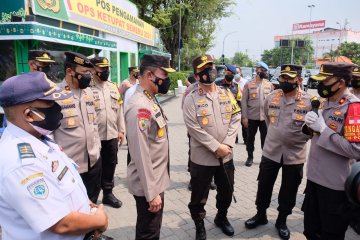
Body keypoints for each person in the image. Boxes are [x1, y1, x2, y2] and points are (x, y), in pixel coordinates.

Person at [0, 72, 109, 239]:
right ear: (29, 114)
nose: (58, 108)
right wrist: (99, 221)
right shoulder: (22, 164)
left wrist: (88, 207)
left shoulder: (39, 138)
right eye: (50, 104)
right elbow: (61, 223)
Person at [244, 64, 313, 240]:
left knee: (289, 189)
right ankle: (261, 215)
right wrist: (278, 135)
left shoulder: (308, 101)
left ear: (298, 80)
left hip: (294, 154)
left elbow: (312, 129)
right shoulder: (272, 96)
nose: (285, 81)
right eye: (283, 77)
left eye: (289, 78)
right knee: (264, 185)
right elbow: (267, 119)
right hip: (271, 151)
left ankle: (281, 220)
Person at [183, 54, 241, 239]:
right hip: (202, 158)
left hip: (226, 155)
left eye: (212, 66)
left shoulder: (226, 93)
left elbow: (236, 116)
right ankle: (199, 226)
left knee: (226, 191)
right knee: (199, 197)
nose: (211, 70)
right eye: (205, 69)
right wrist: (216, 147)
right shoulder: (191, 98)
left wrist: (227, 144)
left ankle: (221, 217)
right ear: (197, 74)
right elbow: (193, 127)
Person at [302, 63, 360, 240]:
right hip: (313, 179)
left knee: (330, 234)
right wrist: (309, 126)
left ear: (341, 82)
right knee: (311, 231)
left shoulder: (354, 108)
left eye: (326, 80)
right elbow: (316, 135)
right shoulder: (323, 102)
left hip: (334, 187)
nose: (321, 85)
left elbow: (355, 150)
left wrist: (324, 129)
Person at [125, 54, 174, 240]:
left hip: (154, 179)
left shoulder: (149, 98)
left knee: (152, 229)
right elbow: (140, 153)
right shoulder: (140, 106)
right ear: (149, 75)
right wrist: (152, 193)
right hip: (149, 184)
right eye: (164, 74)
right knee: (149, 233)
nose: (167, 79)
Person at [52, 51, 102, 204]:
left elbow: (94, 124)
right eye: (85, 72)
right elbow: (49, 135)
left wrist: (98, 147)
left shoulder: (89, 93)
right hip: (71, 167)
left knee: (92, 203)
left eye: (90, 72)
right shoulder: (55, 96)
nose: (89, 76)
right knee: (74, 207)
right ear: (69, 71)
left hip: (94, 161)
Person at [90, 57, 125, 208]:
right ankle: (92, 198)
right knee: (95, 167)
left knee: (111, 164)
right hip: (94, 136)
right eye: (102, 68)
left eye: (107, 68)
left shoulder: (113, 87)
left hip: (111, 134)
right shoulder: (87, 88)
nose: (106, 71)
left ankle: (108, 194)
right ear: (93, 70)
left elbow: (119, 110)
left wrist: (121, 130)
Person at [241, 61, 273, 167]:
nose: (264, 72)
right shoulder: (248, 84)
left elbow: (272, 102)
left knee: (266, 139)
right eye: (262, 70)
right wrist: (244, 117)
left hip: (265, 118)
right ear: (257, 70)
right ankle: (250, 157)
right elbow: (244, 101)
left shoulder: (270, 85)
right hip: (251, 117)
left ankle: (264, 158)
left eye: (265, 71)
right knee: (250, 138)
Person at [216, 63, 242, 144]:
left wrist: (241, 115)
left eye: (231, 74)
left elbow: (239, 101)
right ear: (224, 73)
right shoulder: (217, 85)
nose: (229, 75)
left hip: (232, 114)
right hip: (219, 114)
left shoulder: (236, 87)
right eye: (228, 73)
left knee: (232, 137)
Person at [234, 66, 248, 145]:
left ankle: (246, 139)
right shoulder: (232, 82)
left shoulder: (245, 82)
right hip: (234, 104)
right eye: (235, 72)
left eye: (238, 72)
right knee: (234, 122)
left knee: (244, 122)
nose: (236, 74)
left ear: (241, 73)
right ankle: (234, 139)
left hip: (243, 103)